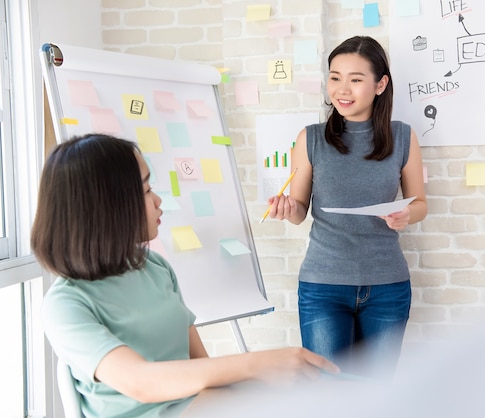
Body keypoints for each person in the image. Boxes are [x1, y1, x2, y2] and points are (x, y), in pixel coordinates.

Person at [31, 133, 339, 418]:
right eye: (147, 189)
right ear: (107, 206)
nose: (158, 201)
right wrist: (259, 364)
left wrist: (264, 386)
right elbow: (140, 383)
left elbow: (203, 369)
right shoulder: (65, 304)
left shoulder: (154, 267)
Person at [266, 36, 427, 377]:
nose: (342, 89)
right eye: (335, 77)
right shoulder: (309, 138)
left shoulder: (403, 137)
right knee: (329, 394)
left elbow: (421, 203)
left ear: (380, 84)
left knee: (376, 392)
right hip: (323, 285)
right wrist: (285, 208)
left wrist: (405, 214)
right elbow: (299, 211)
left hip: (387, 285)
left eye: (355, 79)